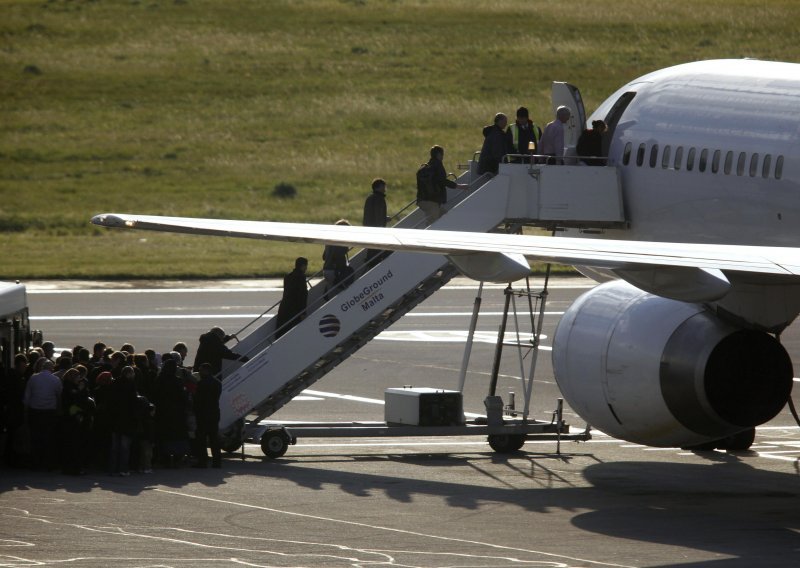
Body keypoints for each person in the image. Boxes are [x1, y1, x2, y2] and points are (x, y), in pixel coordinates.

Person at [23, 359, 62, 470]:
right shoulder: (55, 380)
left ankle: (35, 461)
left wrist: (25, 412)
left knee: (35, 437)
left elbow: (27, 396)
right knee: (48, 438)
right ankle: (46, 462)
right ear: (52, 368)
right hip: (49, 412)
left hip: (34, 411)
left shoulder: (33, 378)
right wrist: (59, 411)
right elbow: (59, 396)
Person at [417, 145, 466, 225]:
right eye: (442, 154)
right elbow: (442, 181)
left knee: (444, 216)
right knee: (433, 223)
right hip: (433, 201)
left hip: (422, 200)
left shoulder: (424, 168)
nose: (443, 157)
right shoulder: (437, 165)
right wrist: (458, 186)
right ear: (439, 154)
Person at [192, 363, 222, 468]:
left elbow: (197, 400)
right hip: (214, 413)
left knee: (201, 438)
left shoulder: (201, 384)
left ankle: (202, 461)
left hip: (203, 414)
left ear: (206, 371)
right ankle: (217, 461)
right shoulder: (218, 383)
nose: (199, 372)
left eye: (201, 370)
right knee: (214, 438)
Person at [275, 257, 309, 338]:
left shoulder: (288, 276)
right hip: (294, 309)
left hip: (284, 307)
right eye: (306, 266)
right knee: (292, 332)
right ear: (303, 266)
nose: (306, 268)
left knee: (282, 331)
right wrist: (303, 312)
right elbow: (302, 295)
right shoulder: (301, 277)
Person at [322, 220, 353, 299]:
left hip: (326, 270)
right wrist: (346, 248)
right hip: (335, 271)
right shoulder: (339, 240)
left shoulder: (329, 240)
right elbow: (339, 255)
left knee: (332, 293)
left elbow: (324, 257)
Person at [362, 178, 389, 264]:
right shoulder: (379, 198)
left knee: (372, 248)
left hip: (369, 227)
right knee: (376, 249)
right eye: (383, 186)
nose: (385, 188)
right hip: (376, 228)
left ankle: (370, 262)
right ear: (378, 187)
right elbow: (378, 214)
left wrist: (384, 218)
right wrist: (380, 228)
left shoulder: (370, 197)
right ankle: (372, 263)